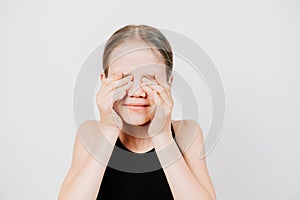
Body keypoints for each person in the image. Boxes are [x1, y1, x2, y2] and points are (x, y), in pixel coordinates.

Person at [58, 24, 217, 200]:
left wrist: (162, 135)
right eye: (124, 79)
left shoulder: (187, 133)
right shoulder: (91, 134)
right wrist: (109, 130)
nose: (138, 92)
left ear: (169, 84)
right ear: (104, 82)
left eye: (149, 80)